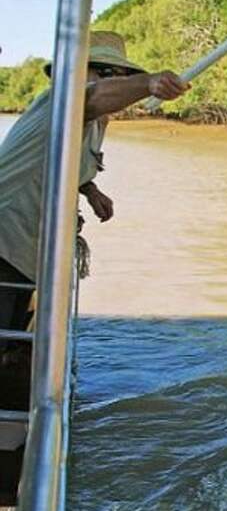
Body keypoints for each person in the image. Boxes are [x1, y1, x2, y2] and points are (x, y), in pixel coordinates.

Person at [0, 30, 188, 426]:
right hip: (5, 244)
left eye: (115, 72)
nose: (108, 79)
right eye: (102, 71)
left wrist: (90, 189)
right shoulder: (63, 102)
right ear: (75, 74)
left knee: (15, 334)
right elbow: (88, 98)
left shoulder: (95, 121)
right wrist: (149, 82)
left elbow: (64, 158)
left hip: (30, 252)